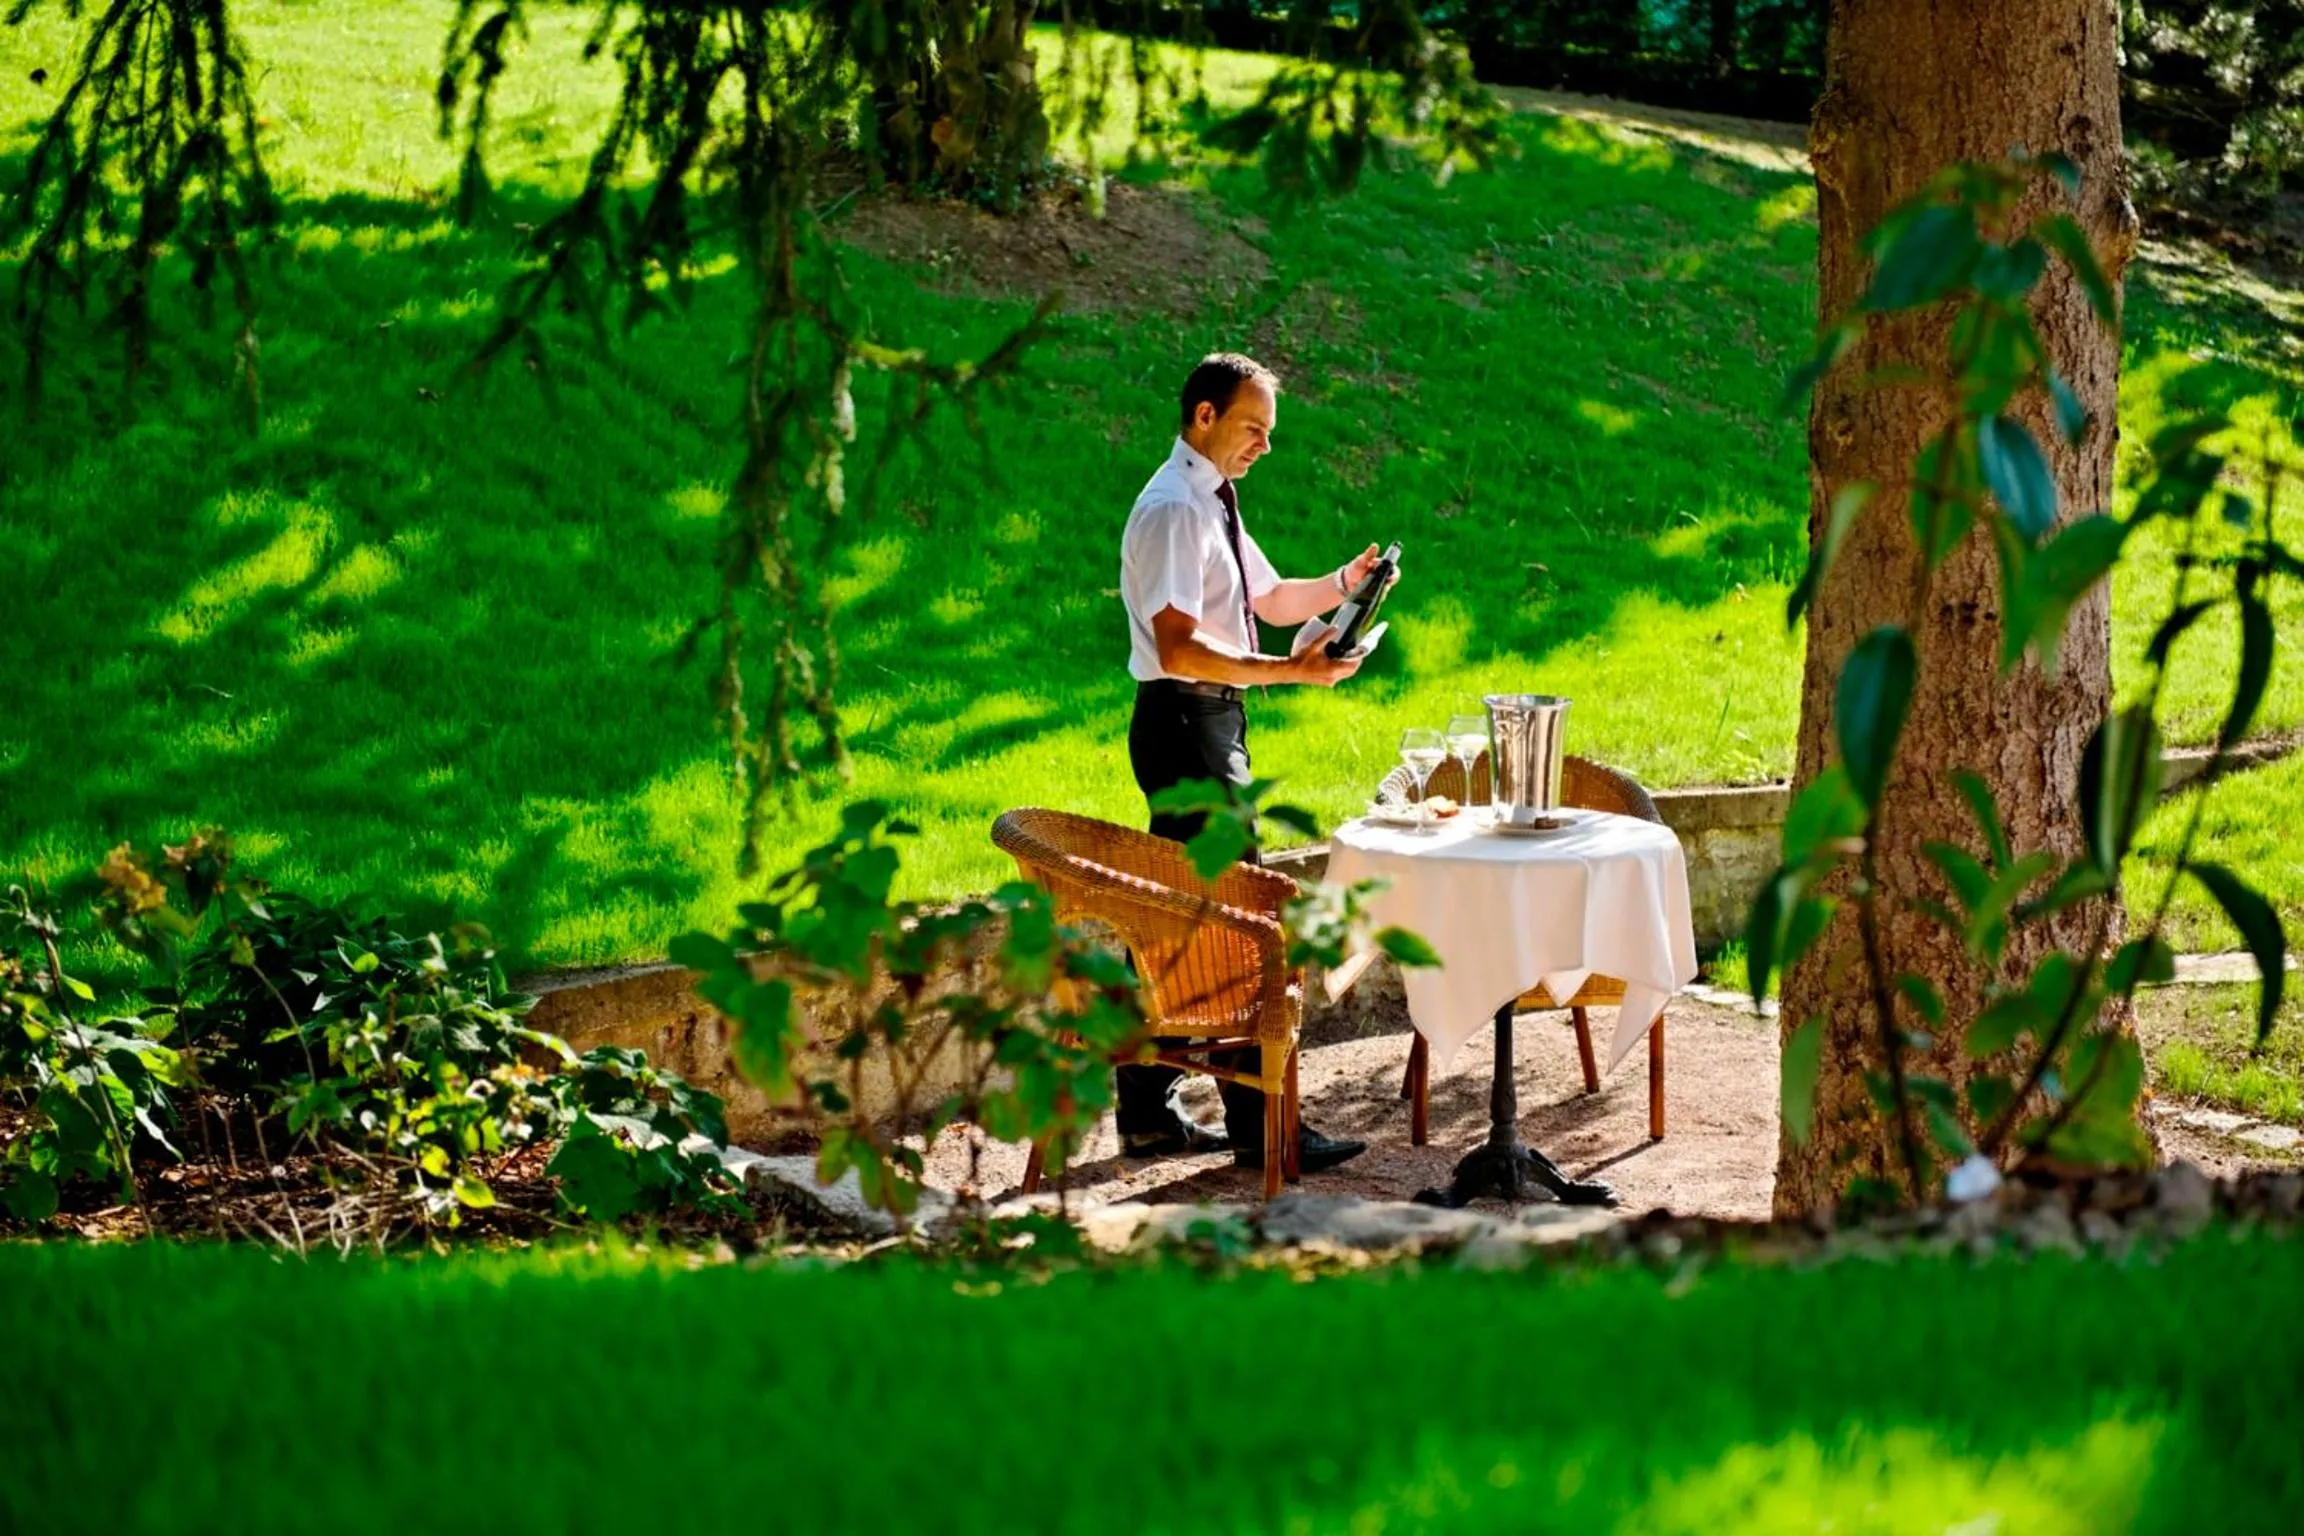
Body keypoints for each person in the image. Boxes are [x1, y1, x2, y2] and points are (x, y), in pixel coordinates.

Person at [1115, 352, 1394, 1175]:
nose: (1264, 447)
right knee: (1241, 927)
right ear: (1203, 416)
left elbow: (1267, 601)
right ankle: (1262, 1131)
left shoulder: (1211, 502)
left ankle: (1147, 1112)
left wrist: (1348, 582)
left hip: (1202, 726)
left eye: (1270, 434)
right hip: (1185, 726)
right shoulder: (1172, 510)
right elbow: (1180, 644)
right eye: (1253, 428)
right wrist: (1291, 672)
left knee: (1186, 920)